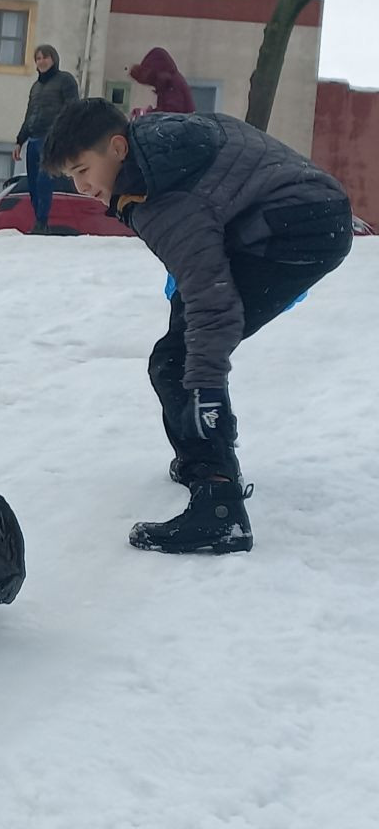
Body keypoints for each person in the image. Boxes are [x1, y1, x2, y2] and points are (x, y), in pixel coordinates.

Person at [43, 98, 353, 555]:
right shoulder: (160, 142)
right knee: (181, 335)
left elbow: (213, 302)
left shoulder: (158, 192)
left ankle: (219, 503)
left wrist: (206, 385)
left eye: (83, 169)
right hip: (306, 210)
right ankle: (202, 455)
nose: (81, 185)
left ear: (116, 147)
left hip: (294, 229)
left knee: (178, 361)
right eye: (71, 176)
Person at [14, 45, 80, 234]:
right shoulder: (36, 87)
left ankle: (42, 221)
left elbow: (72, 108)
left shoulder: (65, 80)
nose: (41, 61)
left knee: (44, 180)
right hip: (33, 139)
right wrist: (20, 140)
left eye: (45, 57)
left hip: (51, 139)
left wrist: (64, 135)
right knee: (33, 184)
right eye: (38, 58)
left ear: (54, 59)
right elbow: (30, 115)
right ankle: (39, 222)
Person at [129, 47, 196, 115]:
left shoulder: (171, 84)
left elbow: (171, 112)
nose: (151, 84)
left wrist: (148, 114)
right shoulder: (168, 82)